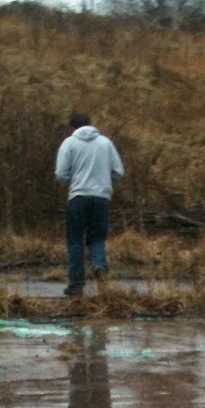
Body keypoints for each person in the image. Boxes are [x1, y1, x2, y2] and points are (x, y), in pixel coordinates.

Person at [54, 114, 125, 297]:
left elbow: (61, 173)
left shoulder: (69, 143)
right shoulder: (105, 143)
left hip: (78, 197)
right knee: (97, 238)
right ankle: (100, 267)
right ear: (90, 124)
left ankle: (76, 285)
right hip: (101, 198)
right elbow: (118, 171)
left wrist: (73, 182)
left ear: (72, 127)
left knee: (75, 240)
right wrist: (105, 185)